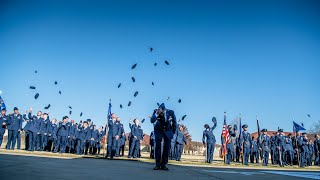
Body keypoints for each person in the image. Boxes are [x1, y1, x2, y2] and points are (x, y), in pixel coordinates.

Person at [150, 103, 177, 171]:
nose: (161, 112)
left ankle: (164, 164)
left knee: (167, 147)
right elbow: (152, 120)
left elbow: (174, 122)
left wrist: (173, 132)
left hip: (168, 131)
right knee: (158, 147)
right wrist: (156, 113)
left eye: (162, 111)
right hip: (158, 130)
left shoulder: (170, 112)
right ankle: (157, 164)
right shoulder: (156, 111)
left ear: (164, 110)